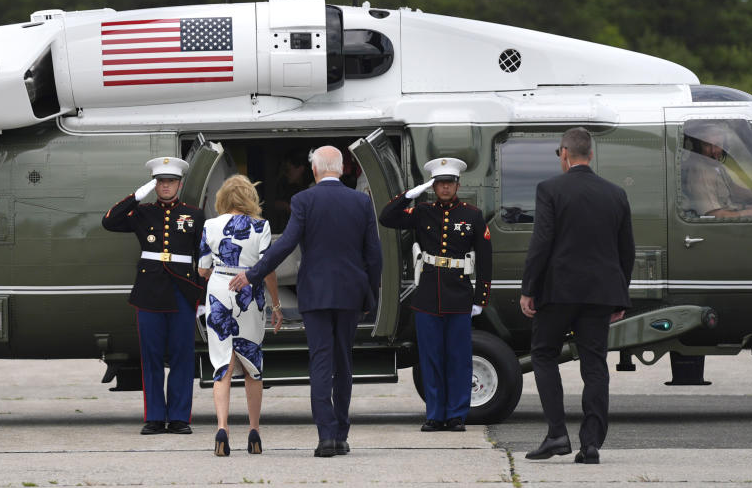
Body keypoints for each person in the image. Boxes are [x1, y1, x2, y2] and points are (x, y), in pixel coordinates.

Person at [229, 146, 383, 458]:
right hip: (351, 294)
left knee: (321, 363)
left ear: (315, 170)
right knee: (344, 363)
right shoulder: (362, 201)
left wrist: (254, 273)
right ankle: (341, 435)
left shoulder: (304, 200)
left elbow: (285, 244)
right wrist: (371, 295)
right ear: (340, 169)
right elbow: (374, 254)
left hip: (315, 294)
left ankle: (326, 437)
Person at [520, 127, 634, 465]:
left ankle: (557, 433)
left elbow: (541, 242)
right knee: (595, 364)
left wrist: (529, 288)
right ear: (591, 155)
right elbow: (625, 250)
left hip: (558, 292)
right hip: (600, 294)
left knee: (543, 355)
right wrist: (619, 297)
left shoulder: (550, 189)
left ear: (565, 154)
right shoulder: (615, 194)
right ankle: (592, 442)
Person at [379, 157, 492, 432]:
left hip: (459, 295)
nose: (444, 188)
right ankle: (434, 414)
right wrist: (409, 195)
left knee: (458, 359)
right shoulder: (422, 211)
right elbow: (386, 217)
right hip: (428, 296)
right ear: (433, 186)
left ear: (458, 184)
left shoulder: (472, 215)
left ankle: (455, 415)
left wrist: (480, 299)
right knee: (430, 358)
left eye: (449, 183)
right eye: (439, 183)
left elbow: (486, 260)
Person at [102, 156, 205, 436]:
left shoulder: (195, 215)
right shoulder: (143, 212)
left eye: (170, 182)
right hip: (149, 291)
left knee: (183, 356)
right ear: (154, 184)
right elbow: (109, 221)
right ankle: (156, 417)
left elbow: (203, 257)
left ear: (179, 185)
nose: (165, 187)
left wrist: (202, 298)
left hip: (183, 290)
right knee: (152, 356)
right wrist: (138, 195)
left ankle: (180, 417)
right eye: (160, 182)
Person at [197, 175, 284, 456]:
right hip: (250, 292)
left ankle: (222, 428)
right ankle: (254, 432)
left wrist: (220, 272)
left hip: (220, 289)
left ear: (223, 198)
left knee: (223, 362)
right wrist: (277, 304)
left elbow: (201, 269)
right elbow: (268, 269)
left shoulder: (210, 225)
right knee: (251, 364)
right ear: (250, 197)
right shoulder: (261, 226)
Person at [681, 123, 752, 218]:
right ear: (698, 147)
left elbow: (734, 190)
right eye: (707, 145)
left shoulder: (714, 165)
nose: (713, 151)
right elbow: (715, 215)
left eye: (717, 145)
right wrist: (750, 212)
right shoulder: (700, 171)